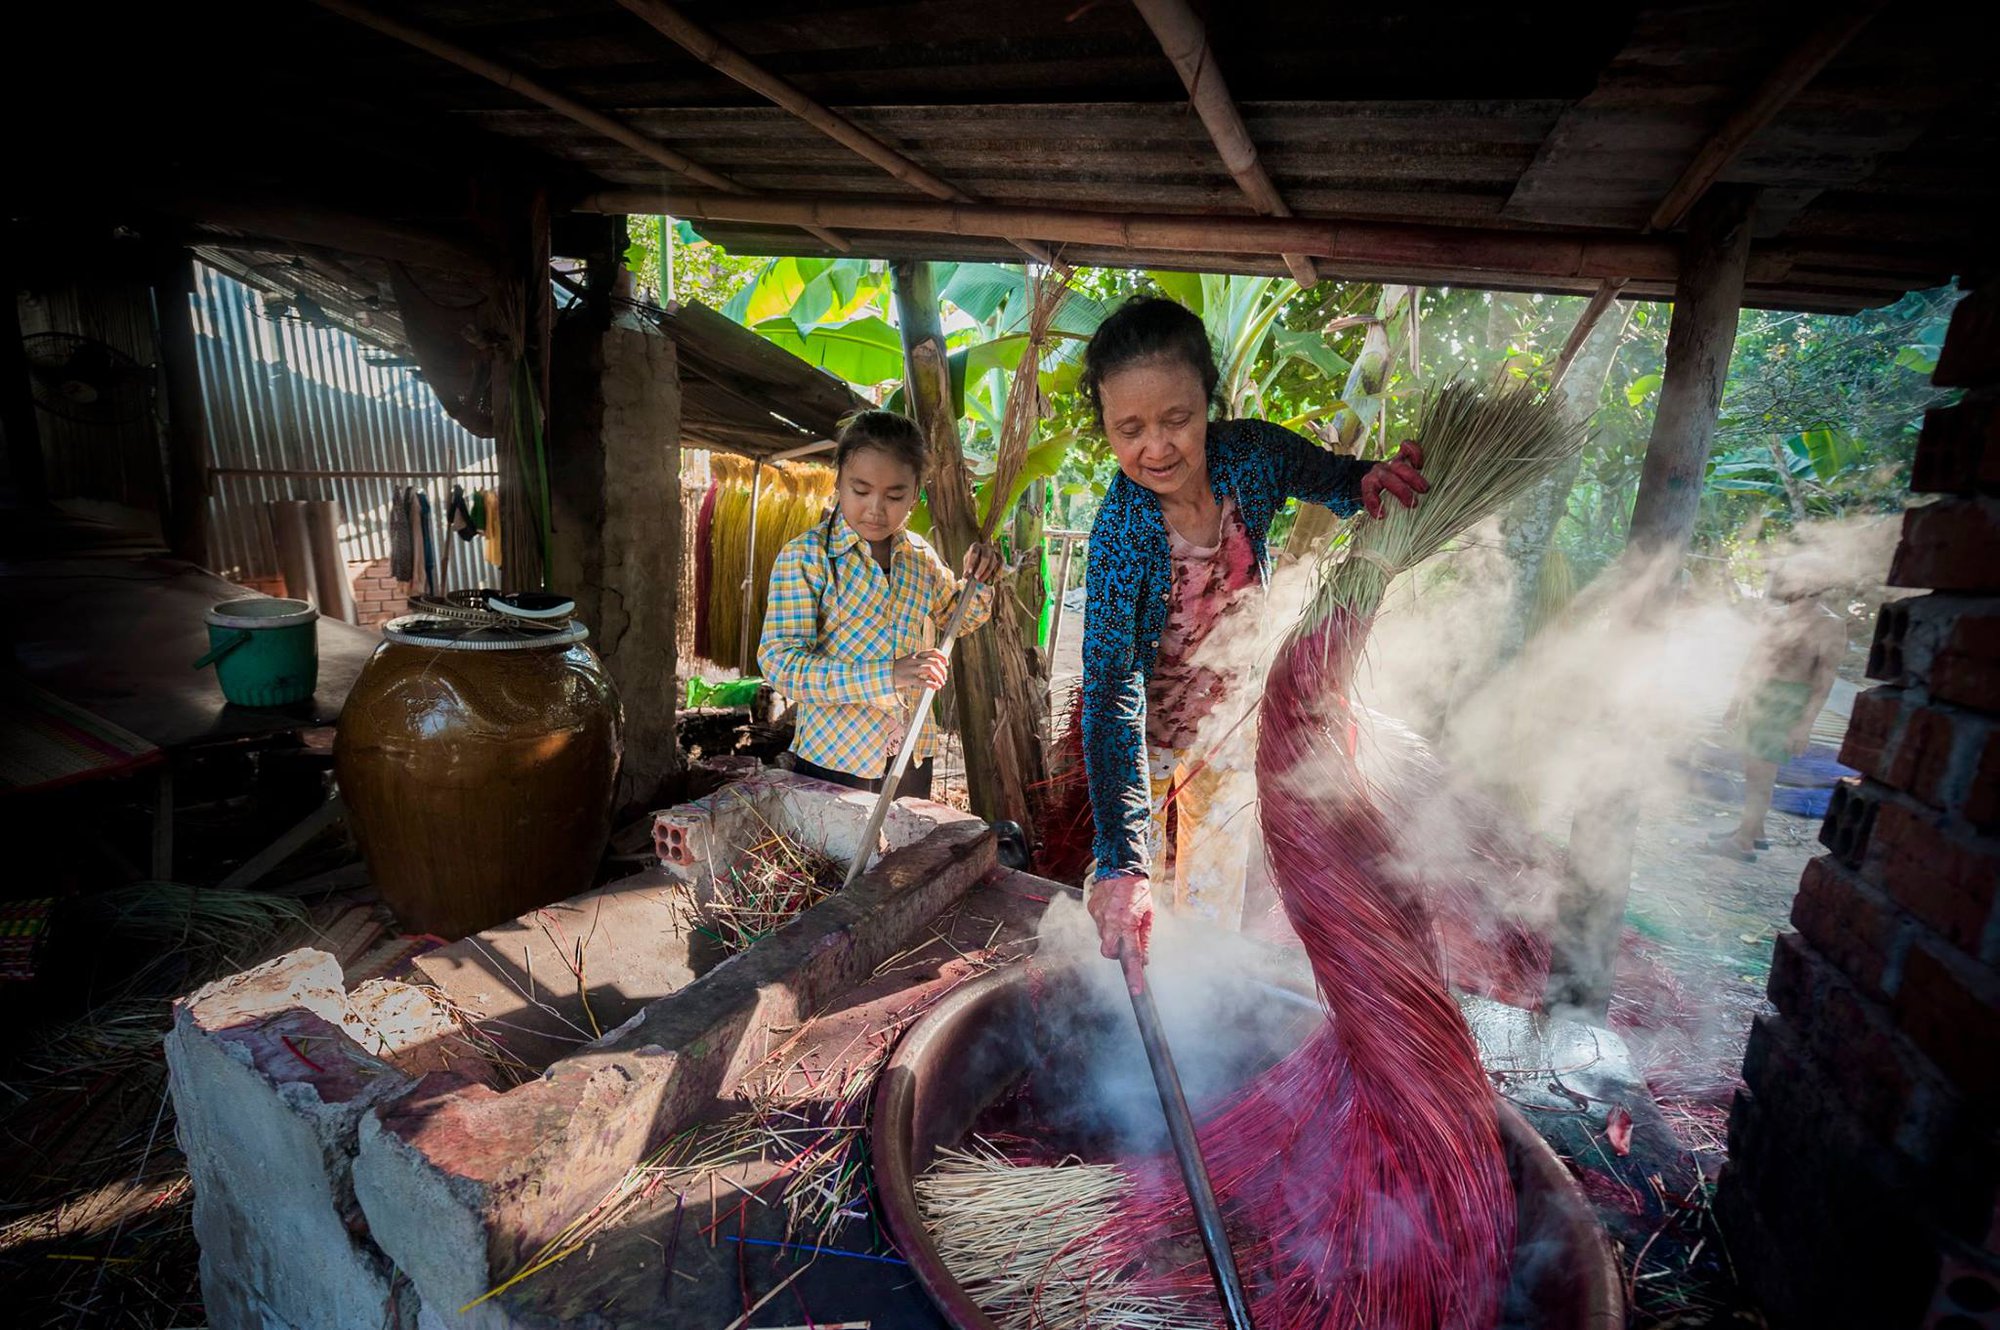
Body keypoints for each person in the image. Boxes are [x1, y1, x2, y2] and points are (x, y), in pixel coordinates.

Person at [1079, 297, 1428, 983]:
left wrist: (1372, 480)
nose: (1157, 447)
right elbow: (1112, 687)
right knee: (1137, 897)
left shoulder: (1253, 454)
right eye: (1130, 429)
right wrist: (1122, 861)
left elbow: (1332, 477)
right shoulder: (1120, 531)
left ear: (1207, 402)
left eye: (1178, 419)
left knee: (1211, 896)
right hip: (1141, 740)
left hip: (1229, 726)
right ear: (1107, 427)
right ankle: (1132, 993)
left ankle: (1200, 995)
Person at [758, 411, 1003, 801]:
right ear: (838, 481)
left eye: (894, 496)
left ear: (915, 494)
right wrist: (888, 675)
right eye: (860, 490)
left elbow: (961, 618)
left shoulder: (920, 559)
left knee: (909, 841)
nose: (875, 508)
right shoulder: (807, 558)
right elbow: (781, 665)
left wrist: (980, 578)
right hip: (836, 758)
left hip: (911, 755)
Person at [1711, 566, 1848, 860]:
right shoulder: (1774, 616)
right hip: (1759, 695)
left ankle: (1743, 842)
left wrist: (1804, 726)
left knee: (1763, 772)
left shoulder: (1829, 625)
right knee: (1752, 768)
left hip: (1788, 702)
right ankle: (1754, 831)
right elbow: (1753, 662)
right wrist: (1735, 704)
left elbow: (1823, 682)